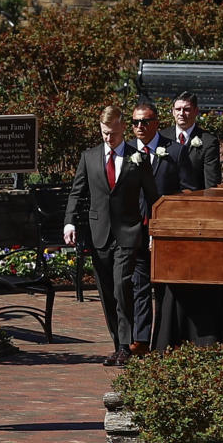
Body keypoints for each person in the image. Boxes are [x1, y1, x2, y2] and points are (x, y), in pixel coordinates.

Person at [64, 104, 157, 366]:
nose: (108, 138)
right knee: (106, 291)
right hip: (99, 233)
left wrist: (153, 231)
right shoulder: (89, 157)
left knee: (121, 285)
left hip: (128, 233)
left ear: (123, 128)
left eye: (113, 133)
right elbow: (77, 191)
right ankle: (117, 344)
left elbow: (152, 196)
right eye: (104, 133)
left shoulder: (137, 157)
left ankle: (127, 346)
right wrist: (69, 222)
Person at [128, 101, 181, 355]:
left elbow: (186, 191)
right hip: (136, 230)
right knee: (139, 285)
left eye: (145, 121)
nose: (139, 126)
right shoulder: (126, 152)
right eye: (135, 122)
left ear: (156, 123)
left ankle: (162, 340)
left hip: (166, 231)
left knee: (163, 289)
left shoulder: (175, 151)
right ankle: (140, 339)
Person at [161, 92, 221, 189]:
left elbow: (211, 182)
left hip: (195, 198)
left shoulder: (208, 141)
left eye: (186, 109)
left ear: (196, 111)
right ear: (173, 111)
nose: (181, 113)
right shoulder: (162, 137)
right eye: (178, 109)